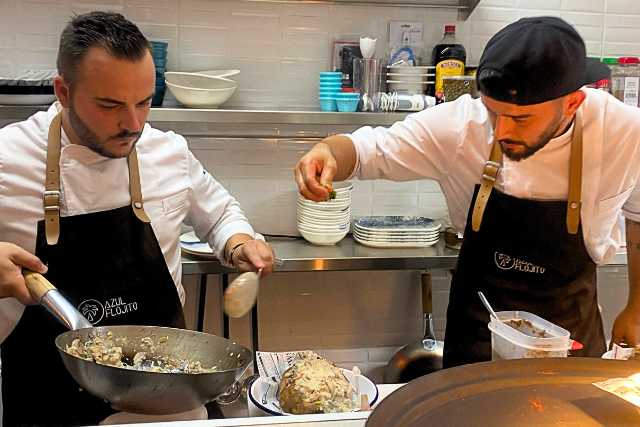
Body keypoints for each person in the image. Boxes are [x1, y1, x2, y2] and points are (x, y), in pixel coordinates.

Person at [295, 17, 640, 368]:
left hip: (571, 340)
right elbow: (367, 150)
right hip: (478, 339)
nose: (502, 131)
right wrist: (328, 153)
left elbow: (639, 215)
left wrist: (636, 308)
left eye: (521, 119)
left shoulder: (623, 131)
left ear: (571, 104)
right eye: (494, 113)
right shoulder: (461, 126)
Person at [0, 11, 275, 426]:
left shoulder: (169, 153)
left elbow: (220, 215)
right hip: (47, 398)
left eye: (145, 102)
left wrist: (239, 242)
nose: (133, 124)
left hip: (167, 402)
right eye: (110, 105)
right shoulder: (7, 159)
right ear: (63, 91)